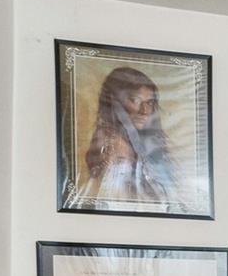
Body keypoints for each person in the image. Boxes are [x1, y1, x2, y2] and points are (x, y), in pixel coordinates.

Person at [78, 66, 182, 209]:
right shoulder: (110, 142)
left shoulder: (153, 145)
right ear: (115, 103)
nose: (144, 111)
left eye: (150, 103)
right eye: (135, 100)